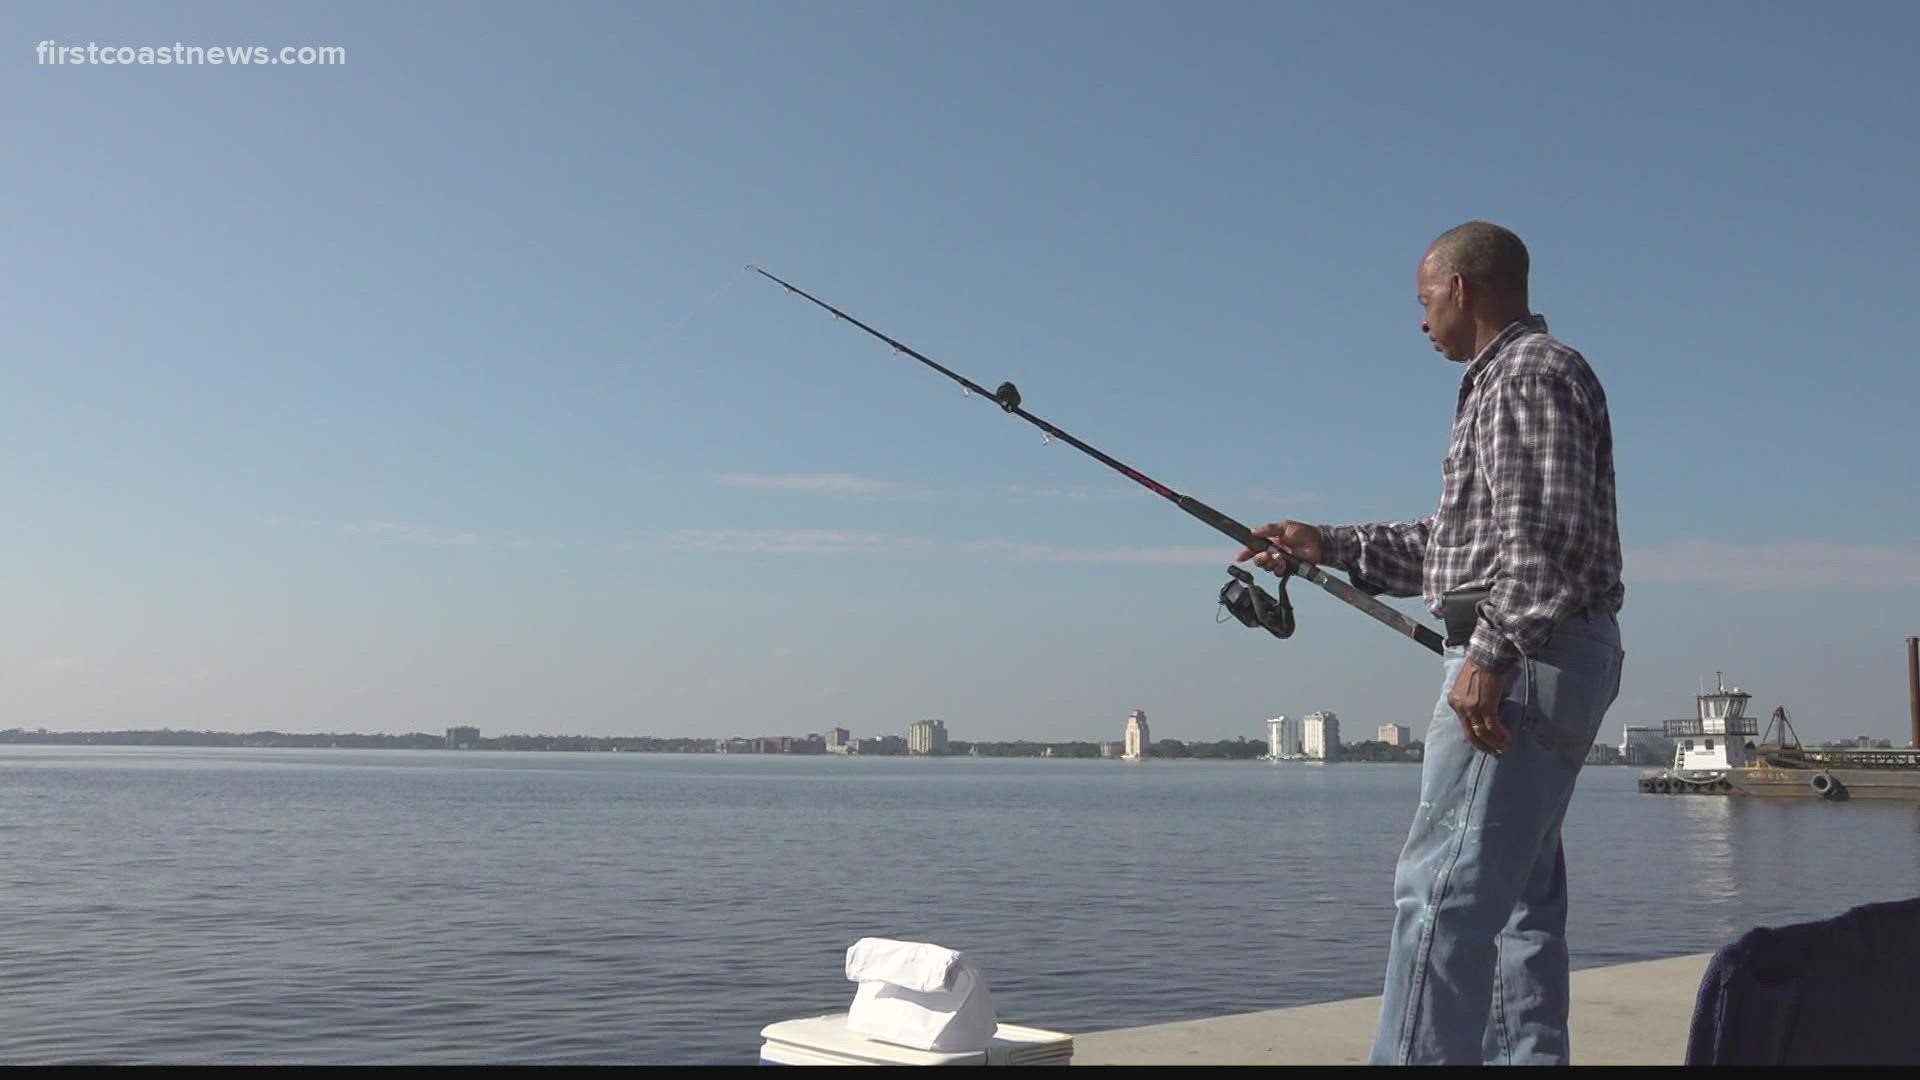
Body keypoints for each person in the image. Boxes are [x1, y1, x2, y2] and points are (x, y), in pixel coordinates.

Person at [1236, 221, 1626, 1065]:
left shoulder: (1526, 376)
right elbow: (1458, 547)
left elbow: (1543, 546)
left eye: (1423, 301)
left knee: (1440, 894)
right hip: (1546, 654)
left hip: (1524, 661)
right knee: (1521, 902)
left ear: (1460, 289)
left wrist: (1489, 657)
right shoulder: (1517, 382)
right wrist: (1324, 545)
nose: (1419, 323)